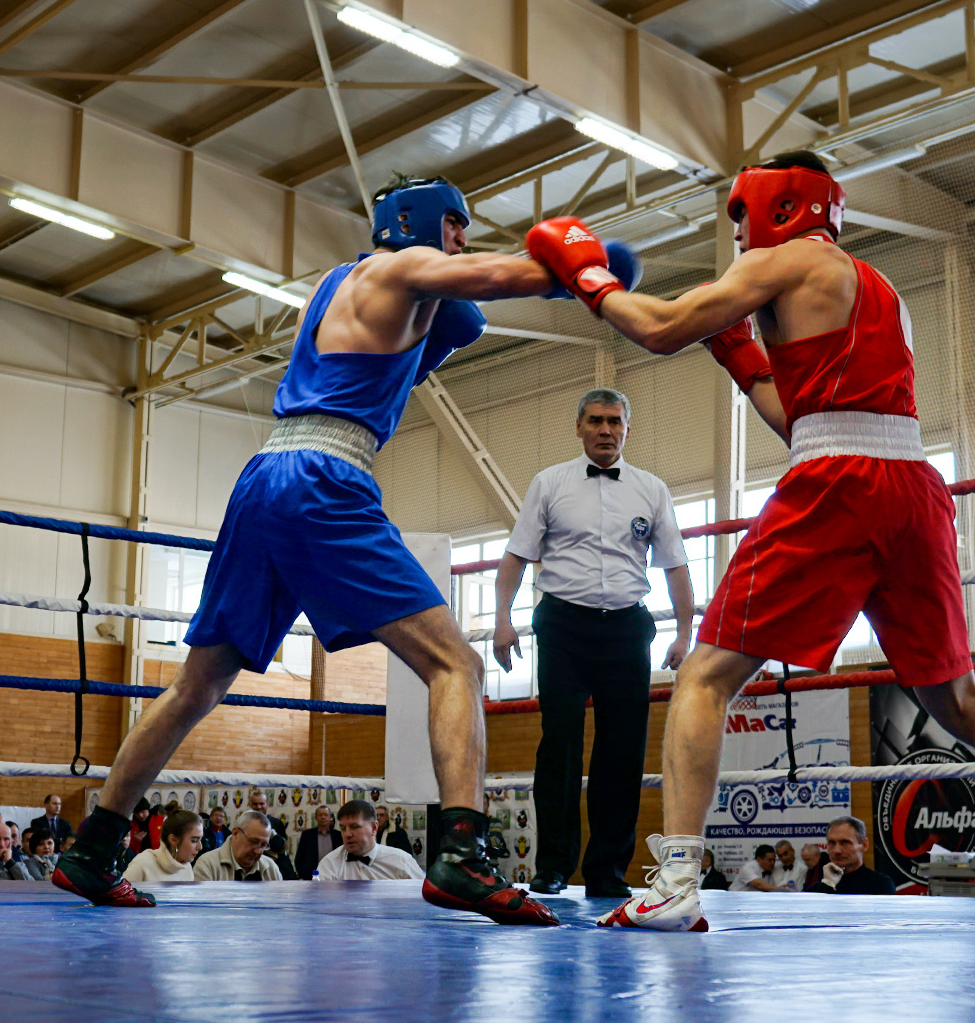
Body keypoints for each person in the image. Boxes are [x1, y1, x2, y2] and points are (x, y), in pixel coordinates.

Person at [527, 153, 975, 930]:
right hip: (913, 485)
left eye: (740, 214)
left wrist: (590, 278)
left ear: (777, 204)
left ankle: (675, 883)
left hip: (838, 487)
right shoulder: (876, 288)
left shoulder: (786, 259)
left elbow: (661, 329)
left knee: (705, 677)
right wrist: (745, 359)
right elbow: (805, 418)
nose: (737, 230)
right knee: (959, 698)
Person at [54, 173, 590, 926]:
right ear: (422, 225)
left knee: (198, 686)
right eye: (457, 224)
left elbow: (448, 328)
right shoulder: (399, 266)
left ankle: (92, 847)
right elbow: (501, 277)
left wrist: (463, 305)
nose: (464, 238)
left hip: (266, 474)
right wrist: (581, 266)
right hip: (324, 478)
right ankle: (462, 856)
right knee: (455, 664)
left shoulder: (344, 286)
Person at [496, 387, 691, 898]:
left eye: (615, 422)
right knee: (558, 745)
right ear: (579, 426)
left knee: (622, 751)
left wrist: (686, 632)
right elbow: (516, 555)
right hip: (562, 625)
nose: (606, 430)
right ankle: (553, 865)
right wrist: (501, 619)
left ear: (627, 429)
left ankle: (607, 871)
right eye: (596, 421)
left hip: (627, 627)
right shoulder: (549, 482)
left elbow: (675, 565)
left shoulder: (651, 488)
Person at [316, 800, 425, 881]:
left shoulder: (401, 861)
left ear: (374, 828)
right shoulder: (330, 864)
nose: (347, 834)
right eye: (343, 828)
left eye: (354, 827)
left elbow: (424, 899)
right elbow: (320, 906)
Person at [806, 817, 895, 895]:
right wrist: (827, 885)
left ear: (864, 845)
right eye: (832, 843)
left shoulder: (880, 885)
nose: (837, 850)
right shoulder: (815, 890)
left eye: (845, 842)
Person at [191, 810, 283, 882]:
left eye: (263, 845)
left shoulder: (270, 868)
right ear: (235, 833)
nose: (258, 851)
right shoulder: (208, 865)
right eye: (254, 842)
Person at [122, 809, 202, 883]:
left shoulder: (187, 869)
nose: (200, 847)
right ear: (173, 840)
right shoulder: (143, 863)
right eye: (194, 841)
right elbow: (121, 896)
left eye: (200, 840)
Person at [295, 804, 342, 879]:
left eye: (325, 815)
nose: (323, 817)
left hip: (334, 877)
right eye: (320, 815)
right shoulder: (307, 835)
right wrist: (304, 875)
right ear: (315, 817)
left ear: (330, 817)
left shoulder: (338, 836)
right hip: (312, 877)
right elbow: (299, 858)